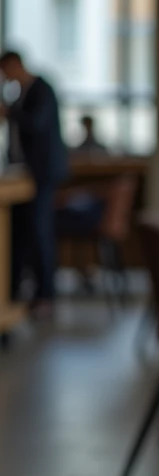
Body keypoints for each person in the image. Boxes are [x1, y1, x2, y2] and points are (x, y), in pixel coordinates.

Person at [0, 51, 68, 313]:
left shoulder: (41, 89)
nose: (6, 78)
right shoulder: (22, 93)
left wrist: (10, 112)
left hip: (43, 173)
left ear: (15, 65)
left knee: (40, 231)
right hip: (25, 174)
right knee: (20, 231)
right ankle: (15, 289)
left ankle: (46, 296)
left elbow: (37, 125)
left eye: (6, 71)